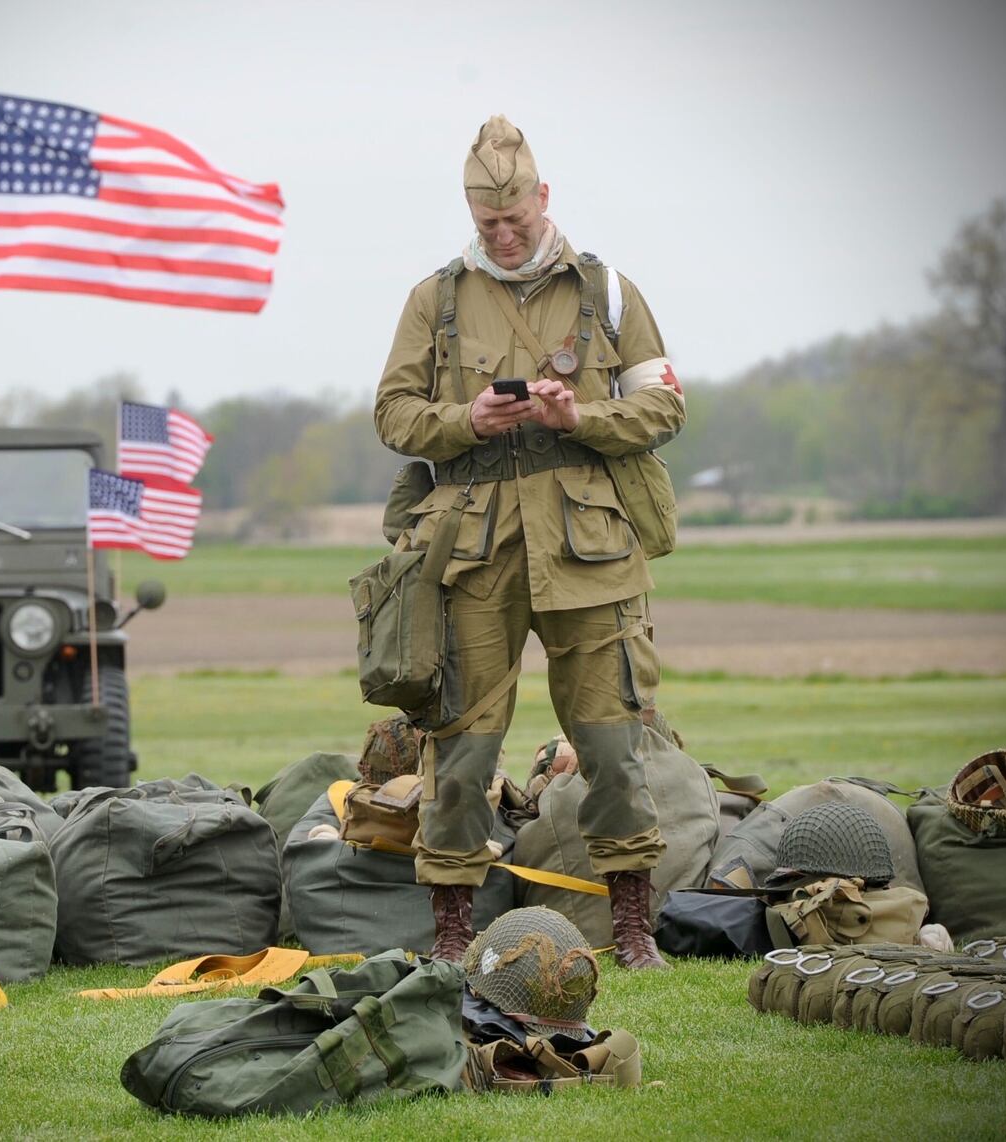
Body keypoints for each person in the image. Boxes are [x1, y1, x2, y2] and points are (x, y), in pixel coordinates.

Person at [372, 115, 687, 970]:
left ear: (543, 199)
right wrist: (464, 419)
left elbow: (664, 406)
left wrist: (581, 415)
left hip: (592, 545)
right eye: (488, 225)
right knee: (461, 748)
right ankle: (449, 935)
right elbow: (393, 413)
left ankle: (632, 930)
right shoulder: (433, 299)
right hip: (471, 551)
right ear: (472, 216)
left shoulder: (608, 291)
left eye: (515, 219)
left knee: (616, 741)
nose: (504, 236)